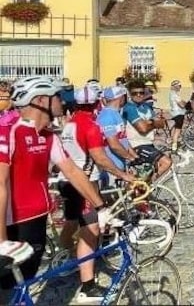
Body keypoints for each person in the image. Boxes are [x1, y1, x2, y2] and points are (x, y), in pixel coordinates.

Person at [0, 76, 110, 287]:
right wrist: (1, 241)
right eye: (57, 96)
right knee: (6, 288)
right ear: (41, 100)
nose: (63, 101)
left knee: (23, 286)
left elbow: (72, 171)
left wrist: (100, 207)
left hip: (37, 220)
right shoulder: (8, 131)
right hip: (12, 224)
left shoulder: (49, 136)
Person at [57, 85, 135, 302]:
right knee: (90, 232)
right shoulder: (90, 126)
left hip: (67, 181)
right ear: (96, 103)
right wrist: (123, 174)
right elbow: (100, 158)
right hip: (85, 182)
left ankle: (66, 256)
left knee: (73, 221)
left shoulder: (69, 124)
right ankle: (87, 286)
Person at [122, 80, 172, 178]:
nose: (139, 95)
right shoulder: (129, 108)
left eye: (141, 92)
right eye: (135, 93)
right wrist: (153, 123)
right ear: (129, 94)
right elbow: (143, 129)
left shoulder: (146, 107)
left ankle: (142, 189)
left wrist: (150, 123)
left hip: (148, 143)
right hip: (135, 145)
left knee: (148, 172)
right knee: (166, 162)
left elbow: (162, 123)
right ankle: (148, 187)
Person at [97, 86, 139, 188]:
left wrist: (134, 155)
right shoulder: (107, 116)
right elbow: (114, 144)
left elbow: (122, 138)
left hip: (120, 164)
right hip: (111, 167)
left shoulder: (115, 113)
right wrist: (130, 158)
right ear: (120, 98)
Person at [168, 80, 187, 152]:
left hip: (174, 113)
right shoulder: (175, 95)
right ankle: (174, 146)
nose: (180, 87)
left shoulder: (173, 93)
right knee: (177, 130)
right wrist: (186, 105)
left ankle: (174, 142)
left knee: (175, 129)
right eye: (179, 86)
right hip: (178, 113)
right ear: (176, 86)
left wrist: (184, 102)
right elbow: (181, 105)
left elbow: (181, 101)